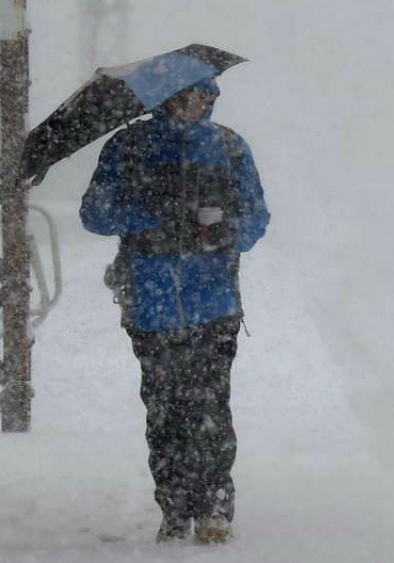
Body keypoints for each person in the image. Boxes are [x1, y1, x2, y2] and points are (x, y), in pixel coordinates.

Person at [79, 77, 270, 544]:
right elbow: (94, 213)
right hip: (150, 302)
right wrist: (151, 208)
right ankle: (175, 508)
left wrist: (227, 230)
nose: (198, 104)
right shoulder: (128, 146)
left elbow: (256, 217)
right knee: (164, 412)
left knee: (210, 406)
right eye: (189, 96)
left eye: (207, 96)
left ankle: (215, 507)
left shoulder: (228, 147)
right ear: (166, 98)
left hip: (214, 302)